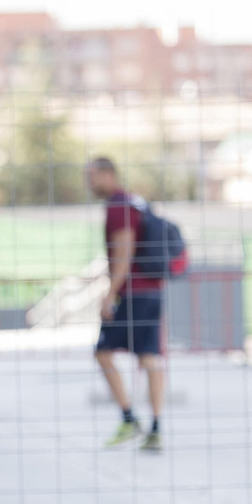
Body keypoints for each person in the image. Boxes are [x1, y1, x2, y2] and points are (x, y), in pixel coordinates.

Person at [88, 157, 165, 452]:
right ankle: (155, 427)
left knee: (103, 351)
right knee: (149, 356)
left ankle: (129, 417)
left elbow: (124, 252)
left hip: (133, 292)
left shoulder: (119, 206)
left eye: (92, 176)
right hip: (152, 290)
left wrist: (111, 293)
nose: (89, 182)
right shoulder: (134, 202)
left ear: (109, 174)